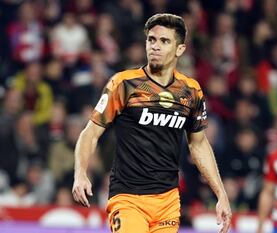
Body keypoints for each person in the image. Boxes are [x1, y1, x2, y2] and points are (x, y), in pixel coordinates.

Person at [72, 13, 232, 233]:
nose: (155, 46)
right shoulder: (124, 83)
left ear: (180, 49)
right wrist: (80, 173)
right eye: (151, 40)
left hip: (168, 201)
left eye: (165, 41)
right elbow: (90, 133)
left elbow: (199, 144)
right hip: (128, 198)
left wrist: (221, 194)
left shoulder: (191, 90)